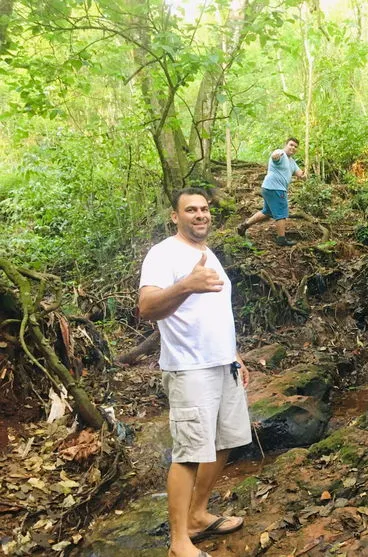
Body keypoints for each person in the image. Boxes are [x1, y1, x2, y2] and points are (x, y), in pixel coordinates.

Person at [139, 187, 252, 557]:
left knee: (225, 443)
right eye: (191, 210)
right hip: (189, 368)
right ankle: (178, 542)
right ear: (176, 216)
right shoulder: (163, 254)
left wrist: (235, 354)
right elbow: (147, 307)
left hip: (223, 364)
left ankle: (198, 515)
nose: (200, 215)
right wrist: (186, 284)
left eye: (204, 209)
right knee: (188, 454)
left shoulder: (209, 254)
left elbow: (215, 312)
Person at [237, 137, 306, 246]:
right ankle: (281, 239)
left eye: (295, 147)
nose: (293, 148)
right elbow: (275, 156)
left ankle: (244, 225)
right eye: (291, 145)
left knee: (267, 212)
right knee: (282, 213)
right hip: (276, 188)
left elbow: (299, 173)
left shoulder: (292, 161)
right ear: (286, 144)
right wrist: (275, 156)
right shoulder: (280, 153)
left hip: (268, 188)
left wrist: (303, 175)